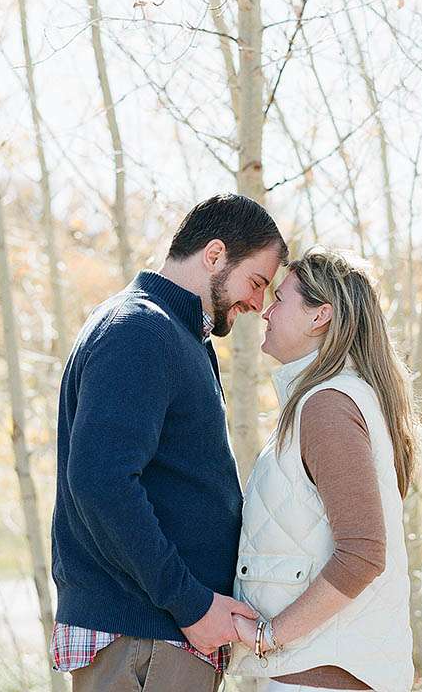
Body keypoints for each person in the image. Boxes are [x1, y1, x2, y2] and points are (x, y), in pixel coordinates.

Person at [50, 194, 288, 691]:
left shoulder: (177, 337)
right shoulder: (140, 331)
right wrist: (191, 603)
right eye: (257, 282)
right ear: (215, 254)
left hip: (161, 637)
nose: (257, 304)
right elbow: (100, 482)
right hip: (146, 637)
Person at [229, 249, 416, 692]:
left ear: (320, 316)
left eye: (281, 299)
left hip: (322, 677)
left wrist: (268, 636)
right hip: (317, 673)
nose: (265, 311)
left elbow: (363, 553)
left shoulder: (327, 406)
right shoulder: (324, 401)